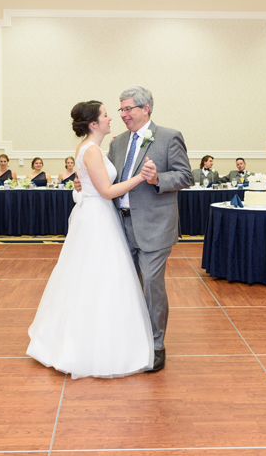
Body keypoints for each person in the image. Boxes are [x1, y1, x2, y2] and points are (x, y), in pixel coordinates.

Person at [28, 100, 154, 379]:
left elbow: (88, 184)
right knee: (100, 277)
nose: (111, 118)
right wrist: (139, 178)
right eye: (106, 115)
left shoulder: (91, 148)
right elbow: (107, 191)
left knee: (91, 277)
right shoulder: (92, 151)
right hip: (98, 219)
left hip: (96, 215)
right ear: (94, 124)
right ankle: (94, 346)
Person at [107, 86, 191, 371]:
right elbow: (109, 179)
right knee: (125, 286)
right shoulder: (117, 143)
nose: (122, 114)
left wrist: (157, 179)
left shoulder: (169, 137)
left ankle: (156, 344)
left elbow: (185, 176)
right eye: (120, 109)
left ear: (146, 109)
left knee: (152, 286)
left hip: (155, 226)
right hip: (120, 225)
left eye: (127, 109)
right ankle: (130, 338)